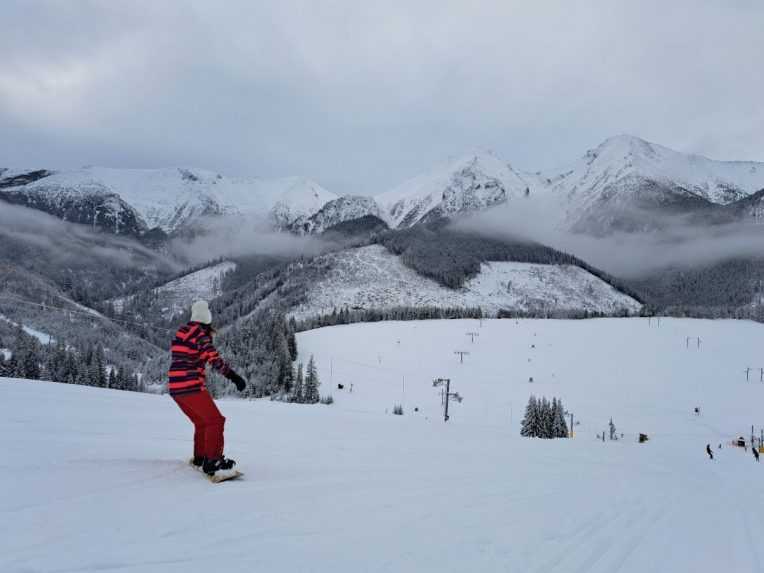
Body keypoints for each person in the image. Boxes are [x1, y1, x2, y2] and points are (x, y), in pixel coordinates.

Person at [169, 300, 247, 476]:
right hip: (191, 387)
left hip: (175, 388)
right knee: (216, 421)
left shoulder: (182, 333)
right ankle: (213, 461)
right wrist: (234, 377)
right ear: (207, 320)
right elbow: (214, 360)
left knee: (202, 422)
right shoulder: (200, 335)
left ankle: (201, 457)